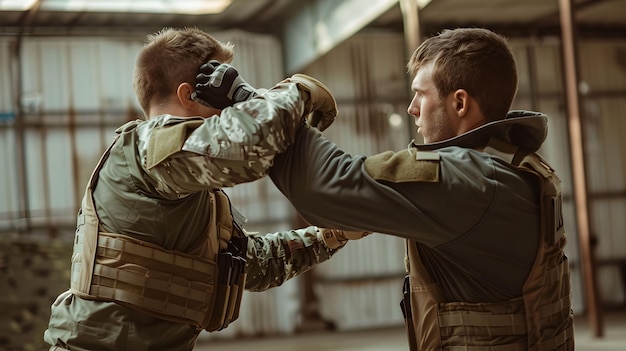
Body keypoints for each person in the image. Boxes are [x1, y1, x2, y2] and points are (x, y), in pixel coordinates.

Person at [44, 27, 367, 351]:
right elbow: (251, 145)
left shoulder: (187, 188)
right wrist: (295, 91)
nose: (229, 110)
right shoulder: (147, 148)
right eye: (223, 90)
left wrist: (330, 235)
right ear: (190, 94)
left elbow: (249, 265)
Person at [266, 28, 575, 350]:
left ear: (459, 102)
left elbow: (323, 187)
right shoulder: (513, 165)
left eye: (421, 94)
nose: (412, 108)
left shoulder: (467, 181)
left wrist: (269, 107)